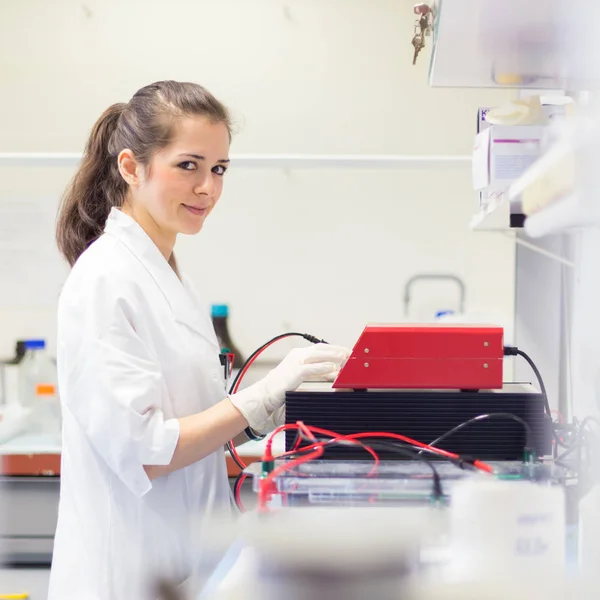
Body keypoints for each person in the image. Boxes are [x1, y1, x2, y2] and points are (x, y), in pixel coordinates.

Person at [48, 80, 350, 599]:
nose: (207, 187)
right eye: (188, 165)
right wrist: (260, 395)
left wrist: (279, 415)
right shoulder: (106, 281)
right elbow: (146, 450)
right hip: (126, 573)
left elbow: (190, 419)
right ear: (130, 167)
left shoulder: (167, 276)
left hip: (185, 560)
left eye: (219, 169)